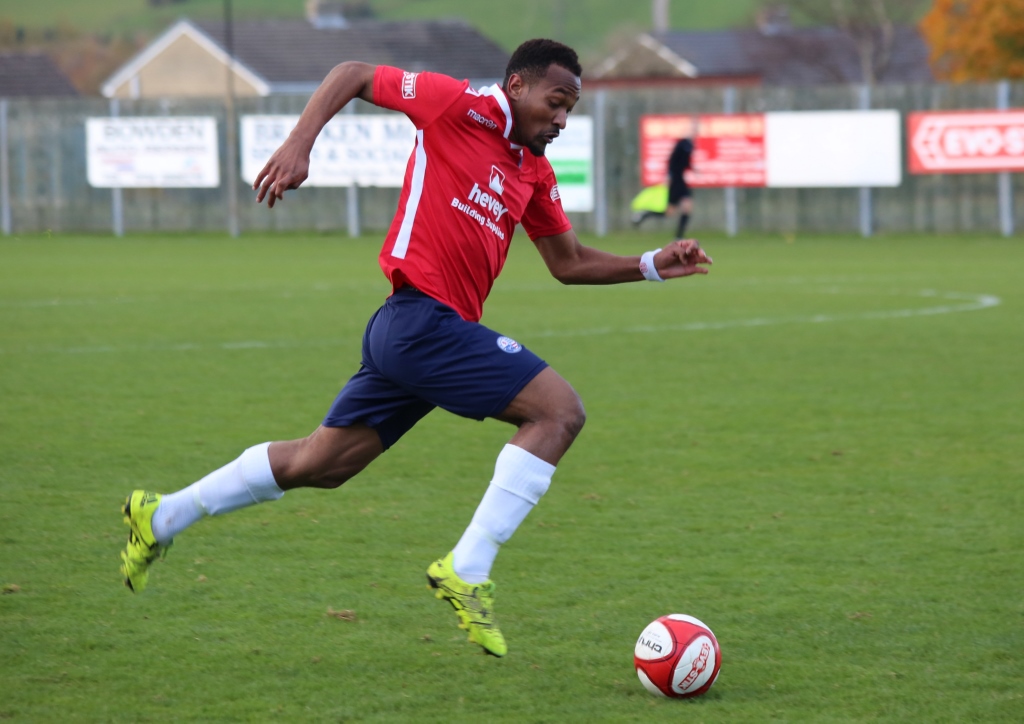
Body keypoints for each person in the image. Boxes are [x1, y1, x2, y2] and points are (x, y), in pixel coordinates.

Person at [118, 39, 712, 658]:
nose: (562, 119)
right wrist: (300, 143)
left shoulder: (533, 171)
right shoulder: (456, 105)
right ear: (516, 87)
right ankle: (468, 569)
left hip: (416, 336)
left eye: (570, 109)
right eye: (555, 102)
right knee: (558, 412)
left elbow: (569, 262)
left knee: (321, 464)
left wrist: (652, 263)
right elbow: (352, 72)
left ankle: (162, 515)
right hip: (418, 320)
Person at [666, 136, 694, 240]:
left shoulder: (689, 146)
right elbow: (672, 162)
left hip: (680, 181)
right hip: (676, 183)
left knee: (687, 207)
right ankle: (644, 215)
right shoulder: (681, 145)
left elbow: (686, 163)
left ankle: (679, 236)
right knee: (669, 212)